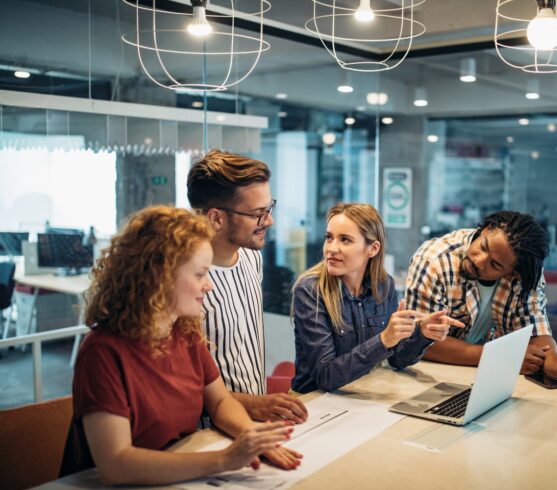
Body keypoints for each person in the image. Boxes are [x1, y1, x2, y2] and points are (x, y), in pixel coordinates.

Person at [63, 206, 296, 485]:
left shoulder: (184, 331)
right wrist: (225, 459)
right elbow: (116, 464)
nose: (208, 285)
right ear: (159, 277)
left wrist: (252, 439)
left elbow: (220, 402)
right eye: (199, 275)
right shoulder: (102, 353)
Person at [187, 150, 308, 437]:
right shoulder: (182, 282)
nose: (269, 221)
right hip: (207, 435)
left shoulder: (252, 257)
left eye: (269, 208)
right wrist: (253, 405)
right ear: (216, 217)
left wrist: (260, 407)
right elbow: (183, 385)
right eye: (257, 214)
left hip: (253, 424)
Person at [405, 210, 557, 391]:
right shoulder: (434, 260)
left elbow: (536, 335)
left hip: (483, 379)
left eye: (494, 264)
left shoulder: (525, 278)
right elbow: (420, 342)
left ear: (513, 273)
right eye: (483, 246)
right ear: (485, 228)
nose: (479, 261)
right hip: (427, 378)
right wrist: (500, 358)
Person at [291, 203, 461, 393]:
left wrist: (422, 334)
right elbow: (326, 376)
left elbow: (397, 359)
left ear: (372, 249)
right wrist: (383, 340)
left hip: (363, 394)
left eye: (345, 240)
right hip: (315, 404)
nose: (331, 248)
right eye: (329, 238)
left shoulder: (383, 285)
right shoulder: (310, 291)